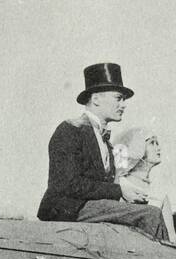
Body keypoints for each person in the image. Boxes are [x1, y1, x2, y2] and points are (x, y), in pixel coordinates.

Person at [37, 63, 166, 239]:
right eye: (118, 98)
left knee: (150, 208)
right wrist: (119, 191)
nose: (123, 105)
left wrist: (126, 195)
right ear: (96, 99)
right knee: (151, 214)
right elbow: (67, 183)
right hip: (67, 209)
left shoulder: (106, 142)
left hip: (88, 207)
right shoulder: (70, 129)